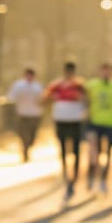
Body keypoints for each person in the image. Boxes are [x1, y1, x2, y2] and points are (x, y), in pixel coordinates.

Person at [44, 61, 88, 200]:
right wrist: (53, 98)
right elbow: (45, 99)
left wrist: (81, 100)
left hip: (75, 120)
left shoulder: (80, 85)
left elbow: (88, 100)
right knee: (62, 148)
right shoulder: (56, 85)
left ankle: (74, 177)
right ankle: (65, 175)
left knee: (76, 150)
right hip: (61, 119)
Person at [85, 62, 112, 193]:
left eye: (108, 71)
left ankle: (104, 179)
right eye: (103, 71)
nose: (106, 74)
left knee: (108, 153)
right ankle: (91, 175)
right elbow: (84, 98)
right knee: (93, 152)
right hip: (94, 122)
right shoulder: (92, 85)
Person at [6, 67, 45, 162]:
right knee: (23, 134)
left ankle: (28, 146)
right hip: (22, 114)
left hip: (35, 114)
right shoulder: (18, 85)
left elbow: (43, 99)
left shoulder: (38, 87)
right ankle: (25, 150)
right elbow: (11, 97)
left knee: (32, 135)